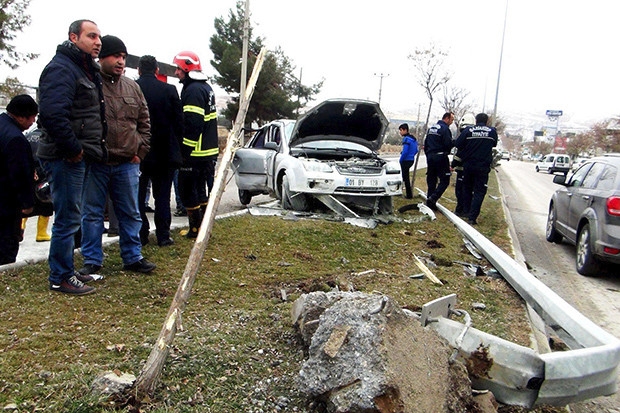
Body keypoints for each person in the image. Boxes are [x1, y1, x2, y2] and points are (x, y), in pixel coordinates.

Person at [37, 19, 107, 295]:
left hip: (80, 155)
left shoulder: (85, 69)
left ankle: (66, 268)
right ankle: (60, 277)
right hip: (65, 157)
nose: (97, 42)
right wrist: (74, 150)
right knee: (67, 219)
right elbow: (53, 115)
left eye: (99, 37)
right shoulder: (61, 69)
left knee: (72, 217)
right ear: (73, 37)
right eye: (91, 36)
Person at [79, 35, 156, 276]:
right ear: (102, 58)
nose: (121, 61)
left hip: (127, 163)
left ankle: (133, 257)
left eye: (123, 57)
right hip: (97, 163)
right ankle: (92, 260)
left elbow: (144, 121)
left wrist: (139, 151)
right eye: (115, 56)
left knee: (130, 213)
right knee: (92, 214)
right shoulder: (89, 84)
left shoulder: (133, 87)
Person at [136, 54, 183, 247]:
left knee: (138, 196)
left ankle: (142, 234)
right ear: (157, 70)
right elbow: (179, 123)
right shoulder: (169, 90)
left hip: (139, 152)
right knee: (162, 196)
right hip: (165, 152)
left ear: (138, 70)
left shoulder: (133, 88)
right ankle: (163, 235)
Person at [173, 50, 219, 238]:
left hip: (195, 152)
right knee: (201, 190)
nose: (176, 73)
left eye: (178, 69)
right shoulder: (206, 88)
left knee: (187, 190)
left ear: (186, 68)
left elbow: (193, 123)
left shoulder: (192, 91)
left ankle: (194, 229)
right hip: (207, 151)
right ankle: (203, 228)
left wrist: (185, 152)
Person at [0, 95, 39, 265]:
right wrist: (27, 203)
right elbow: (20, 175)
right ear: (21, 116)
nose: (33, 121)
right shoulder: (16, 139)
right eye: (32, 117)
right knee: (6, 244)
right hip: (6, 201)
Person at [454, 113, 498, 225]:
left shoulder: (469, 131)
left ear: (476, 121)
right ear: (487, 120)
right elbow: (494, 145)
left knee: (466, 188)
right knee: (479, 191)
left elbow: (458, 144)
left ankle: (467, 211)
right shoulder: (492, 131)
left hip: (468, 166)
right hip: (483, 167)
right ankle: (472, 218)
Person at [22, 126, 54, 242]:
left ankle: (21, 227)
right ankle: (41, 233)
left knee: (26, 202)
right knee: (46, 203)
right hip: (42, 171)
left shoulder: (28, 136)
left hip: (28, 171)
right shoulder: (46, 137)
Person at [424, 112, 454, 211]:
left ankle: (429, 202)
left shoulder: (431, 128)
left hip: (430, 156)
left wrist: (428, 154)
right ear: (447, 118)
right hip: (440, 156)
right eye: (452, 119)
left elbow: (426, 143)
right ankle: (433, 198)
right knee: (445, 180)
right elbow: (447, 144)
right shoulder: (445, 129)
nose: (452, 122)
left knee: (431, 179)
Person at [451, 113, 476, 216]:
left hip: (463, 169)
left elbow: (460, 153)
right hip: (473, 168)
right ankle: (468, 209)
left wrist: (453, 165)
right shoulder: (475, 136)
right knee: (470, 190)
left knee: (461, 190)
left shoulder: (465, 136)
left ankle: (461, 210)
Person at [398, 123, 418, 199]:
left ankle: (407, 195)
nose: (400, 132)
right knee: (405, 177)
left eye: (401, 130)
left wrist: (401, 159)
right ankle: (408, 194)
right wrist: (411, 155)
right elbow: (416, 150)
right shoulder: (413, 139)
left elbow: (405, 151)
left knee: (404, 177)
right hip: (411, 160)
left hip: (406, 160)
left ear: (405, 130)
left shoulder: (406, 139)